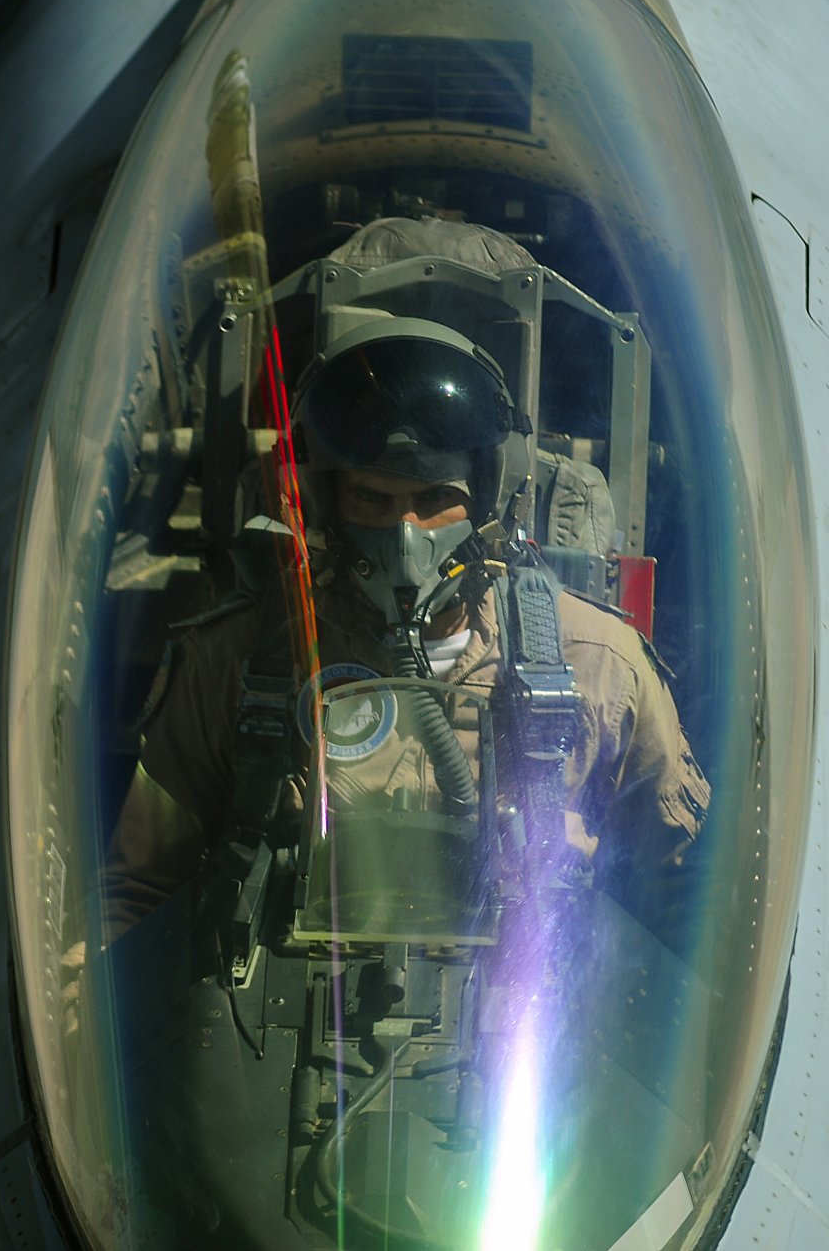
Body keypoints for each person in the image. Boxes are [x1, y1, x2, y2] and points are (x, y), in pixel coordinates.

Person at [99, 270, 712, 944]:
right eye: (373, 500)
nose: (405, 535)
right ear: (329, 505)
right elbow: (137, 896)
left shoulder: (599, 666)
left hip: (527, 1009)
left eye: (435, 499)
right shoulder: (239, 663)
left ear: (485, 500)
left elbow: (685, 904)